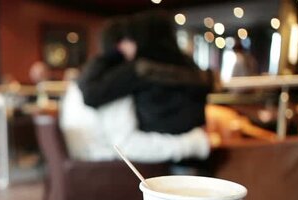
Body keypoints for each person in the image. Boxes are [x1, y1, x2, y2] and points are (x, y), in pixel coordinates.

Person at [61, 14, 215, 163]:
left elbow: (91, 95)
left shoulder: (136, 70)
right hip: (184, 153)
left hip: (164, 157)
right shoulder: (191, 68)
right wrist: (197, 142)